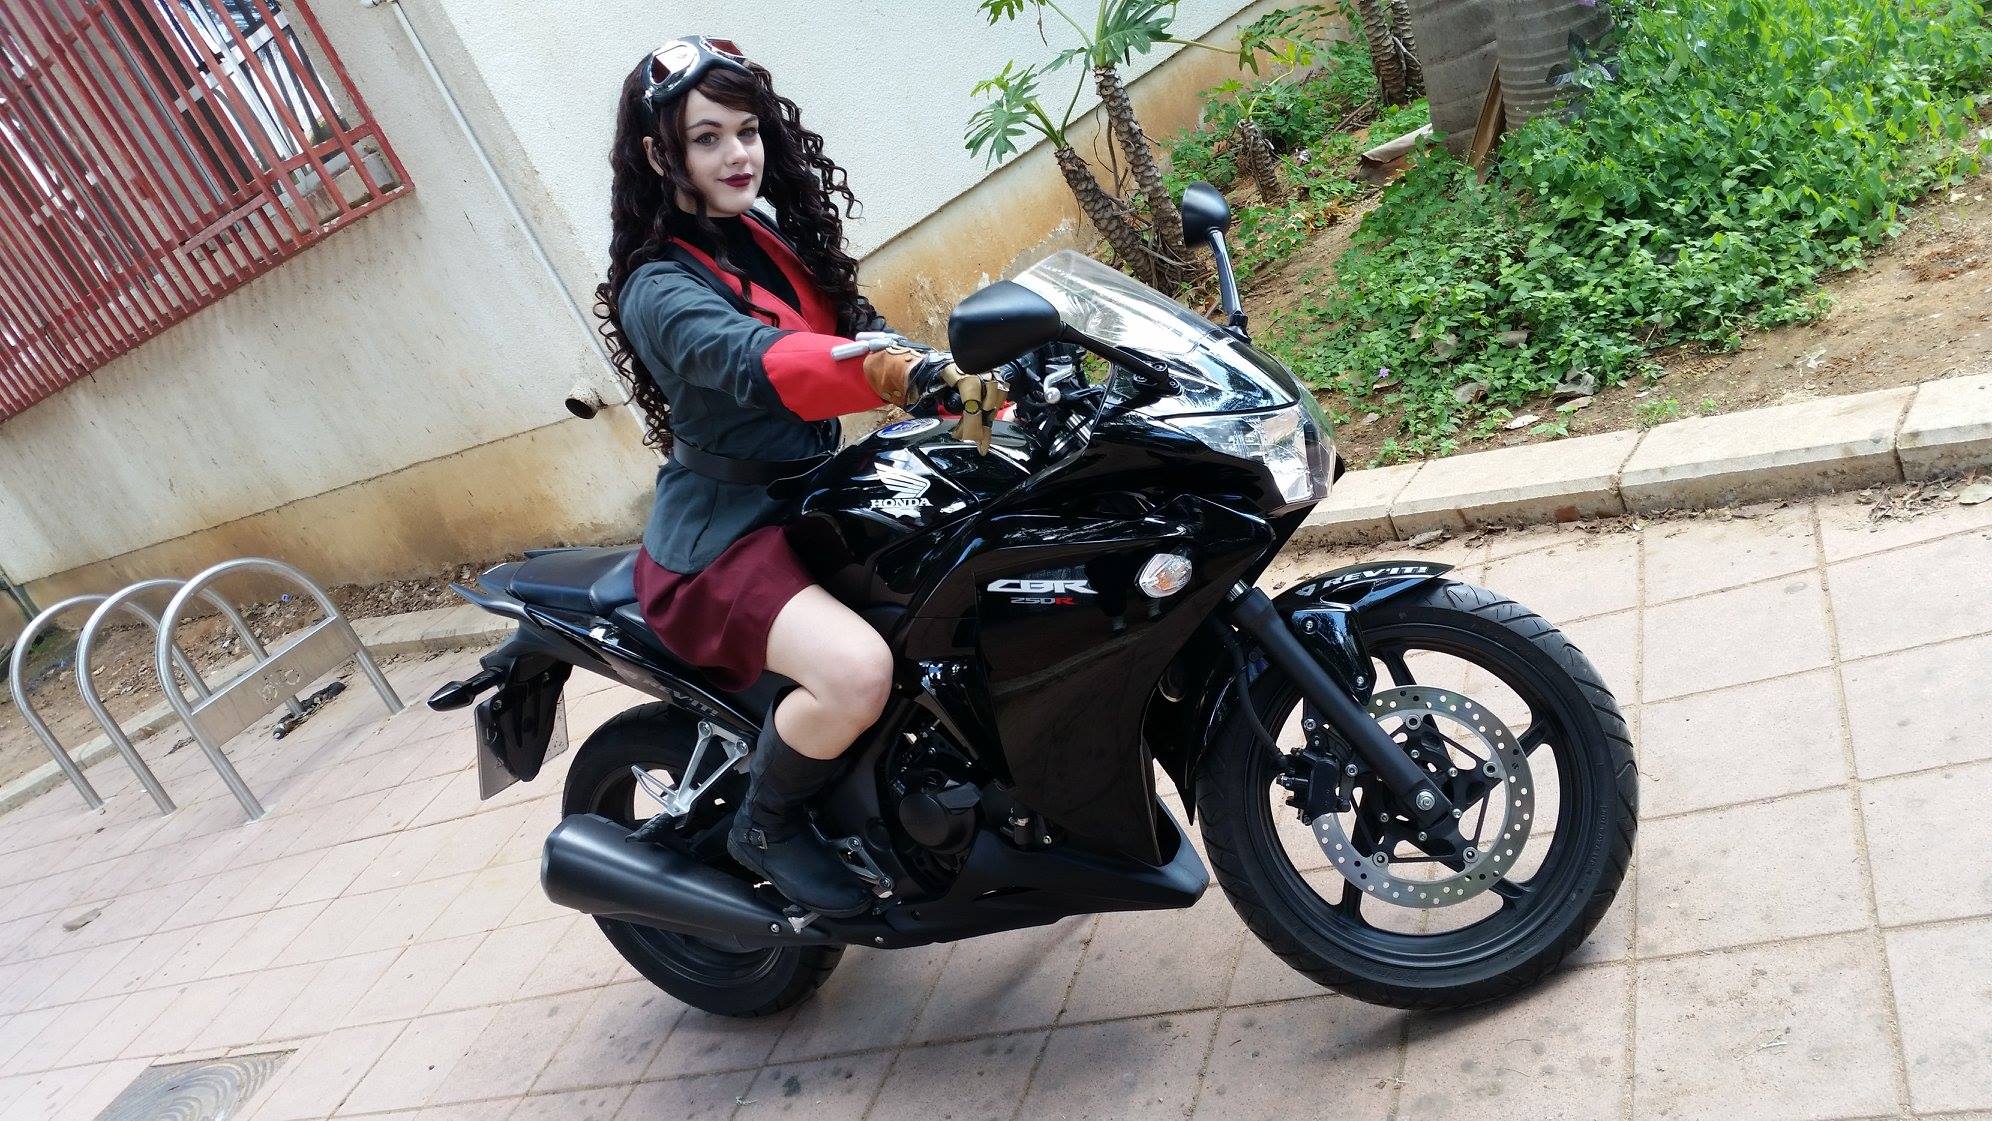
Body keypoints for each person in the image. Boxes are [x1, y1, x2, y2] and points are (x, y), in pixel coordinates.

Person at [594, 37, 949, 917]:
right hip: (724, 539)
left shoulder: (759, 236)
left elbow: (856, 330)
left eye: (746, 131)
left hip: (813, 499)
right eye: (706, 137)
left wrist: (960, 377)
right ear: (659, 156)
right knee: (858, 672)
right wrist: (888, 375)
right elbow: (755, 359)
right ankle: (767, 824)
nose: (737, 154)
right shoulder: (655, 286)